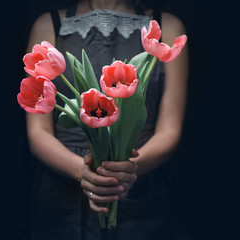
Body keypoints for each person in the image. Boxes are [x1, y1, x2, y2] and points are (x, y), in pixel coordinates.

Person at [25, 0, 189, 239]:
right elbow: (37, 133)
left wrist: (128, 170)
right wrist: (83, 172)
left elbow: (170, 130)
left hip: (142, 180)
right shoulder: (48, 25)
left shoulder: (169, 26)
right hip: (63, 189)